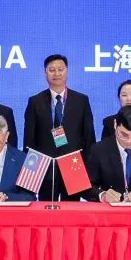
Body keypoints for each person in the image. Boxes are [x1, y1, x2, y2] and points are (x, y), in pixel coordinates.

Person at [23, 54, 96, 201]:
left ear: (67, 71)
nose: (56, 73)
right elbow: (29, 138)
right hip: (45, 166)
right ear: (45, 73)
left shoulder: (81, 100)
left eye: (60, 69)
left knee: (72, 209)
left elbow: (89, 136)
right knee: (46, 208)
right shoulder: (35, 101)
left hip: (74, 165)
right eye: (51, 70)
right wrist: (30, 168)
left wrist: (88, 166)